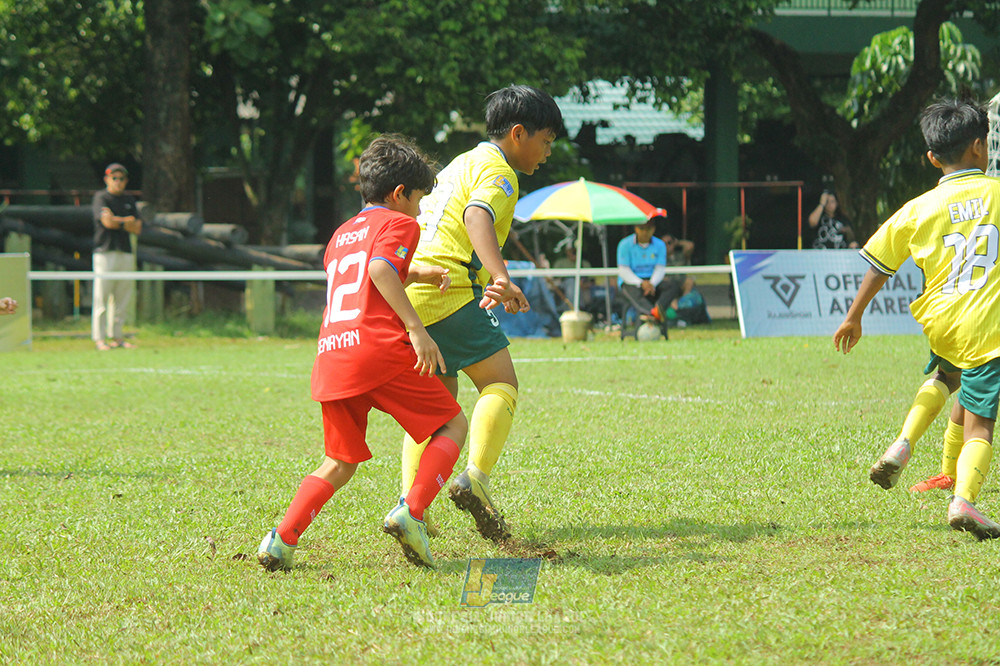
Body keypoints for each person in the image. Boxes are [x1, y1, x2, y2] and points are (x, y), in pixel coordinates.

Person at [257, 135, 468, 570]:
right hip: (379, 351)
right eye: (419, 199)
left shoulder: (341, 234)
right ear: (398, 194)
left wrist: (416, 270)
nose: (420, 210)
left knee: (338, 461)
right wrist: (416, 328)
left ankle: (282, 538)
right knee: (452, 424)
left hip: (334, 353)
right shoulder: (401, 224)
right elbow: (378, 269)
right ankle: (412, 512)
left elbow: (366, 275)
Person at [400, 84, 562, 543]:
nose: (547, 153)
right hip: (449, 287)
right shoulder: (500, 171)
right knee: (500, 383)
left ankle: (410, 507)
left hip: (413, 287)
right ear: (517, 134)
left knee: (438, 408)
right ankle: (476, 478)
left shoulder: (459, 163)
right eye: (545, 141)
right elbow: (476, 216)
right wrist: (501, 276)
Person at [834, 98, 1000, 540]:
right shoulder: (998, 192)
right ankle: (964, 499)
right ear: (981, 148)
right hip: (988, 323)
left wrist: (854, 317)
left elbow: (879, 263)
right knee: (981, 420)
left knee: (947, 375)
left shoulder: (919, 206)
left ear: (932, 158)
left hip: (943, 319)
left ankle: (903, 443)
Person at [92, 163, 142, 351]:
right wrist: (125, 221)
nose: (118, 182)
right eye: (114, 178)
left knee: (122, 299)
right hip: (105, 253)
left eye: (122, 179)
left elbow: (137, 227)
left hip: (125, 253)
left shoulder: (129, 199)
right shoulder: (101, 198)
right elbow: (107, 222)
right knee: (102, 298)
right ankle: (99, 338)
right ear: (107, 179)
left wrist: (117, 221)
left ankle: (118, 337)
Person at [617, 219, 692, 333]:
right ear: (636, 229)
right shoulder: (624, 244)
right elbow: (624, 270)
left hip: (653, 281)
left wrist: (651, 284)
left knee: (673, 286)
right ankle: (653, 314)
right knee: (635, 293)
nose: (645, 232)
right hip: (632, 281)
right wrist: (641, 283)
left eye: (648, 229)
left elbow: (660, 268)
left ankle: (656, 312)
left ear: (653, 229)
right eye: (642, 229)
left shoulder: (659, 244)